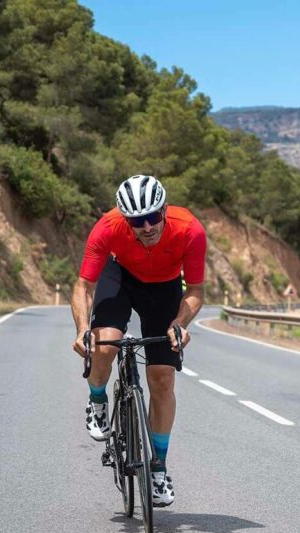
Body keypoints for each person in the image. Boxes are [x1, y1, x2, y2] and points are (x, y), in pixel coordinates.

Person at [71, 174, 207, 507]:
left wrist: (179, 322)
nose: (146, 226)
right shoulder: (107, 227)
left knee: (162, 379)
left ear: (163, 210)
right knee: (105, 343)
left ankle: (158, 468)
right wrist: (81, 328)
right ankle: (98, 400)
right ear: (125, 219)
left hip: (164, 288)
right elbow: (83, 286)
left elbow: (196, 292)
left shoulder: (190, 229)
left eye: (153, 217)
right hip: (120, 276)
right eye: (137, 221)